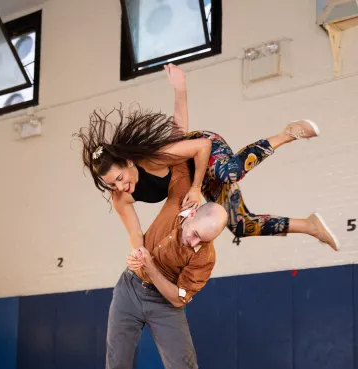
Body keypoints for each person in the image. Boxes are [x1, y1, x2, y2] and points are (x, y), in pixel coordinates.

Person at [86, 161, 247, 369]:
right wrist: (197, 182)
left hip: (166, 304)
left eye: (207, 240)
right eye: (198, 235)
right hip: (129, 292)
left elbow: (178, 297)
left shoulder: (204, 257)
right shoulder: (180, 201)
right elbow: (179, 146)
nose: (197, 243)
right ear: (191, 215)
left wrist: (149, 266)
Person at [77, 64, 339, 252]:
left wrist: (181, 89)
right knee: (240, 225)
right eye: (112, 184)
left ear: (130, 162)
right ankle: (309, 226)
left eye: (120, 178)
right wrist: (138, 253)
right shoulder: (121, 197)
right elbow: (135, 233)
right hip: (196, 173)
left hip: (205, 148)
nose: (120, 187)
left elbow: (193, 143)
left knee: (227, 172)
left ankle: (288, 133)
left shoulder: (155, 157)